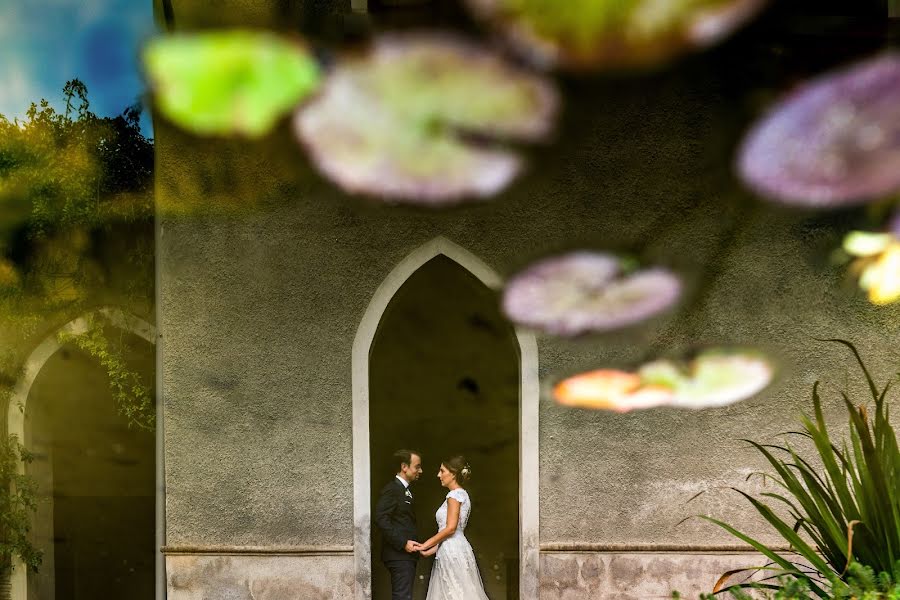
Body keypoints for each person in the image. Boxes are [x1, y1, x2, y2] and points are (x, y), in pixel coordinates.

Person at [417, 455, 490, 600]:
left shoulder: (454, 495)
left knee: (455, 594)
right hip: (457, 548)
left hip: (452, 551)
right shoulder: (463, 494)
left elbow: (450, 529)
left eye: (442, 471)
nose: (439, 475)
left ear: (453, 474)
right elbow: (453, 534)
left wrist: (426, 543)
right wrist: (430, 550)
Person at [374, 449, 424, 600]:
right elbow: (380, 518)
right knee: (402, 597)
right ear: (404, 467)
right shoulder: (393, 489)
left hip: (404, 556)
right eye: (417, 466)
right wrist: (403, 543)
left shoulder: (405, 490)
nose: (420, 471)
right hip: (399, 555)